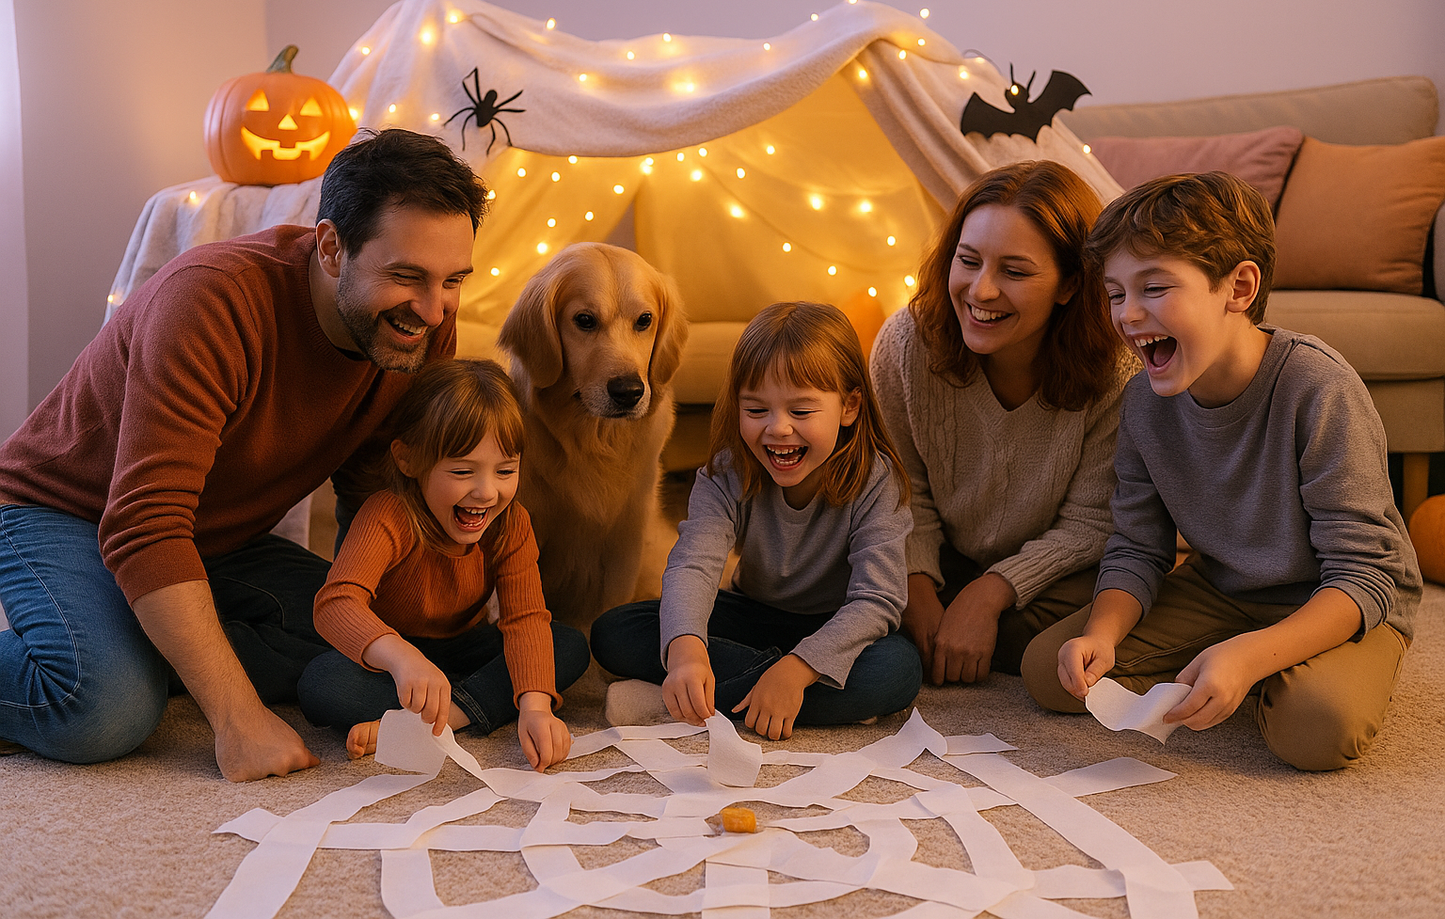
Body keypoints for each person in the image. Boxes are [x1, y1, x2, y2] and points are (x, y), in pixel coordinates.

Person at [0, 128, 488, 781]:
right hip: (65, 513)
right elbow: (146, 525)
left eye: (453, 280)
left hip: (217, 537)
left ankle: (140, 640)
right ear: (332, 247)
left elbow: (378, 497)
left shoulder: (415, 325)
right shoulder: (211, 301)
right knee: (103, 710)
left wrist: (399, 624)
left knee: (355, 638)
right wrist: (236, 717)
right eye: (405, 277)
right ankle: (117, 661)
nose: (432, 310)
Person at [1021, 171, 1422, 771]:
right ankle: (1240, 661)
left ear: (1238, 287)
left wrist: (1251, 655)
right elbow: (1137, 546)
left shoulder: (1318, 387)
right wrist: (1102, 634)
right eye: (1114, 294)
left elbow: (1364, 574)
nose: (1128, 315)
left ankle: (1269, 664)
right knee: (1049, 672)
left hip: (1336, 596)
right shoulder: (1142, 403)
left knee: (1313, 730)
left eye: (1153, 288)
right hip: (1222, 590)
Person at [591, 301, 921, 740]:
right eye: (756, 410)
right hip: (750, 615)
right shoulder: (728, 471)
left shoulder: (878, 481)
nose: (778, 429)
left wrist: (798, 669)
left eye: (801, 412)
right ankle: (807, 699)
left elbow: (877, 601)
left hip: (836, 624)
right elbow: (694, 564)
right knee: (615, 631)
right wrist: (688, 653)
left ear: (849, 407)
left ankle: (670, 703)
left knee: (897, 670)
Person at [870, 160, 1134, 686]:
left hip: (1057, 567)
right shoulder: (905, 344)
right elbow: (898, 489)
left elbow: (1092, 523)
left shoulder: (1119, 371)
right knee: (851, 603)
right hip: (940, 550)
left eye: (1014, 272)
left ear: (1068, 285)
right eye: (968, 261)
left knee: (1033, 650)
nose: (981, 291)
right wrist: (917, 585)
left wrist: (989, 594)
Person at [297, 360, 589, 771]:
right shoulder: (388, 514)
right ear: (409, 461)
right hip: (394, 655)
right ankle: (463, 703)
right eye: (462, 471)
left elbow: (525, 619)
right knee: (322, 684)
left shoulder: (512, 522)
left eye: (506, 470)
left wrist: (537, 708)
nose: (487, 491)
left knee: (566, 645)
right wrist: (401, 658)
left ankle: (448, 716)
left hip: (467, 647)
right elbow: (335, 604)